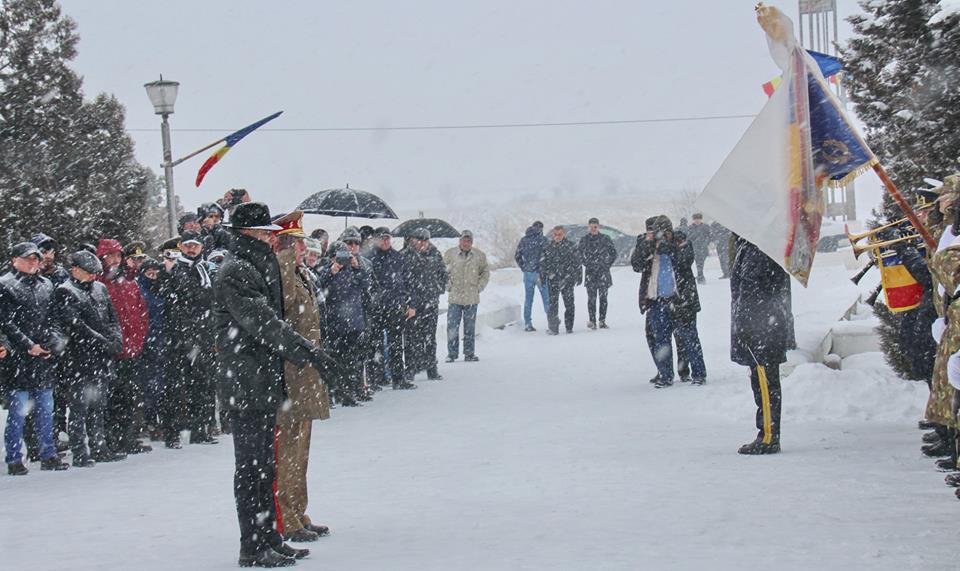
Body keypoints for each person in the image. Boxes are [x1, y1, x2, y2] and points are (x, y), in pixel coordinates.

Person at [213, 202, 338, 567]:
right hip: (246, 381)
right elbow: (264, 323)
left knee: (265, 467)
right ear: (248, 234)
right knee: (251, 469)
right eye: (267, 232)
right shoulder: (236, 271)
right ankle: (252, 547)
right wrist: (307, 352)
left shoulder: (253, 265)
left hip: (261, 380)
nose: (273, 237)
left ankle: (269, 537)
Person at [272, 211, 333, 543]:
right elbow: (285, 308)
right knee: (288, 450)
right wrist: (283, 258)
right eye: (296, 243)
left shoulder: (299, 272)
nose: (301, 249)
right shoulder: (283, 272)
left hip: (305, 373)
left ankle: (299, 508)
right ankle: (287, 516)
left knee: (301, 449)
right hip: (291, 374)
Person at [0, 242, 69, 474]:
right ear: (14, 260)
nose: (33, 263)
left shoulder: (46, 285)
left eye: (36, 259)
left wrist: (52, 342)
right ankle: (14, 458)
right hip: (18, 360)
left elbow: (54, 318)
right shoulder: (5, 285)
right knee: (18, 413)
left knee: (45, 410)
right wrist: (29, 346)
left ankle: (48, 454)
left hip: (43, 360)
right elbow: (6, 323)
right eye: (28, 258)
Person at [51, 250, 124, 467]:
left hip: (101, 358)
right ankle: (80, 451)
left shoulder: (100, 288)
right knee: (79, 408)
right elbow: (76, 326)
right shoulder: (65, 291)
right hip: (78, 358)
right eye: (88, 272)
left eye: (95, 273)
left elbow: (112, 317)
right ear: (75, 270)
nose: (93, 276)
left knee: (99, 405)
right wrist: (103, 340)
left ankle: (99, 446)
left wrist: (116, 338)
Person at [730, 236, 793, 455]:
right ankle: (767, 433)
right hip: (761, 326)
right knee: (763, 385)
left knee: (766, 387)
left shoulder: (759, 248)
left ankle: (768, 437)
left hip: (762, 329)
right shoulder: (752, 245)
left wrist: (746, 327)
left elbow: (752, 292)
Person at [631, 216, 706, 388]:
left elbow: (686, 260)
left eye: (665, 233)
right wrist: (647, 246)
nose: (662, 237)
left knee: (689, 338)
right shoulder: (648, 245)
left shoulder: (682, 241)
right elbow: (636, 265)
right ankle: (665, 375)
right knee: (661, 340)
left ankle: (698, 373)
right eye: (659, 233)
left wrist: (670, 249)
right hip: (657, 300)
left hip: (681, 299)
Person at [96, 238, 152, 456]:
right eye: (111, 256)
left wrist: (137, 340)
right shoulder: (100, 285)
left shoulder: (129, 283)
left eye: (118, 256)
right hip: (110, 352)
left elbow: (142, 314)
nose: (115, 260)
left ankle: (127, 437)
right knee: (110, 398)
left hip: (131, 350)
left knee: (129, 396)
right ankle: (110, 439)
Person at [166, 230, 219, 445]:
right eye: (187, 244)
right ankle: (179, 431)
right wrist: (208, 296)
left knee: (205, 385)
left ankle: (203, 428)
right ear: (181, 247)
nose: (191, 248)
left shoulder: (204, 267)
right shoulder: (179, 269)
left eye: (195, 245)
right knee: (184, 386)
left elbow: (213, 295)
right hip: (185, 336)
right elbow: (192, 295)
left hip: (204, 334)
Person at [317, 228, 373, 406]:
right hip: (335, 323)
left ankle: (353, 391)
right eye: (337, 255)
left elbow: (367, 285)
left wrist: (357, 267)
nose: (341, 259)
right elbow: (319, 288)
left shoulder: (354, 269)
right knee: (337, 361)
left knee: (354, 361)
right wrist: (332, 271)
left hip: (354, 322)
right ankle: (338, 393)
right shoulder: (326, 270)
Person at [369, 227, 417, 390]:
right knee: (376, 345)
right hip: (376, 308)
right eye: (382, 238)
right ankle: (377, 378)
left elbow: (409, 282)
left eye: (388, 238)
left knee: (396, 344)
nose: (385, 241)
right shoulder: (370, 258)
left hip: (395, 307)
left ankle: (398, 378)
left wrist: (412, 304)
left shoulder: (398, 258)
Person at [403, 229, 447, 381]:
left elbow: (443, 275)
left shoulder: (435, 254)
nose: (422, 243)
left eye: (425, 240)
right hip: (412, 304)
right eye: (419, 240)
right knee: (411, 338)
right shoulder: (406, 256)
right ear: (413, 240)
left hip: (430, 301)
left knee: (429, 337)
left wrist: (437, 289)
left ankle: (431, 368)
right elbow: (403, 280)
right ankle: (411, 368)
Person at [444, 230, 489, 362]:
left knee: (470, 327)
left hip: (471, 298)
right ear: (460, 241)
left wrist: (479, 287)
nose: (466, 243)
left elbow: (485, 272)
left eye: (469, 241)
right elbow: (442, 272)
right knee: (452, 326)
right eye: (464, 240)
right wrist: (448, 286)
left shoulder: (479, 255)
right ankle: (452, 354)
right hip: (455, 297)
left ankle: (469, 353)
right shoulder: (450, 254)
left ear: (472, 242)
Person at [136, 257, 168, 443]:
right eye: (149, 273)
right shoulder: (141, 291)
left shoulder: (160, 289)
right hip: (148, 343)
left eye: (156, 273)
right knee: (149, 386)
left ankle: (155, 421)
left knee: (159, 386)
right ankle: (149, 421)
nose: (153, 276)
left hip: (160, 342)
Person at [540, 225, 582, 335]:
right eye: (555, 234)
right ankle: (553, 329)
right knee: (553, 305)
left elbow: (577, 262)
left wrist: (578, 276)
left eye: (560, 234)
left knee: (569, 304)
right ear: (553, 235)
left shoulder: (571, 246)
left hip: (567, 280)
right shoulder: (548, 247)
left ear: (564, 234)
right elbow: (543, 264)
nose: (557, 237)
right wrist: (543, 276)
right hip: (553, 280)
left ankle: (569, 327)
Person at [578, 217, 617, 329]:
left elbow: (613, 253)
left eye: (595, 227)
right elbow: (579, 254)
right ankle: (592, 320)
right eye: (591, 227)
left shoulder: (605, 238)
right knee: (591, 298)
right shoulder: (584, 239)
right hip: (590, 273)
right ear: (588, 227)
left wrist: (606, 264)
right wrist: (587, 263)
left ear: (598, 227)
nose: (593, 229)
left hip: (603, 272)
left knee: (603, 298)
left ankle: (602, 320)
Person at [514, 221, 549, 332]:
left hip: (528, 274)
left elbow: (517, 256)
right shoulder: (543, 240)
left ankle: (527, 323)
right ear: (541, 228)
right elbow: (549, 256)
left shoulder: (524, 240)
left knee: (528, 299)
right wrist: (544, 268)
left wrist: (524, 267)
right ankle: (551, 321)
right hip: (540, 273)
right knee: (546, 298)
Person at [687, 213, 711, 284]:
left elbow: (710, 236)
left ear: (701, 219)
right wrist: (694, 238)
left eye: (698, 219)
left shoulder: (705, 227)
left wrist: (706, 242)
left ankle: (700, 275)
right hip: (694, 248)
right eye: (695, 219)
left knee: (701, 263)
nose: (697, 221)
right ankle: (700, 276)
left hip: (703, 248)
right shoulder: (690, 228)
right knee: (698, 263)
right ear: (693, 220)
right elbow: (688, 238)